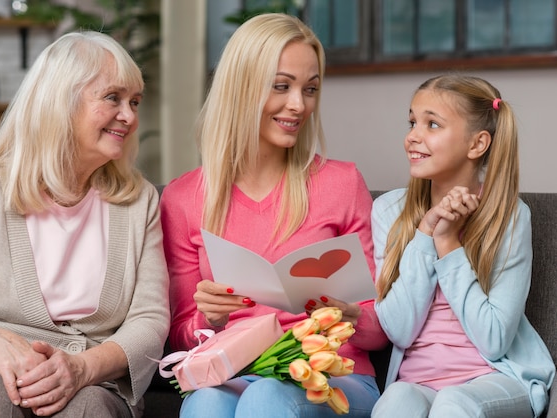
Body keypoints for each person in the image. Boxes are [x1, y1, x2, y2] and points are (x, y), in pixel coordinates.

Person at [160, 13, 388, 418]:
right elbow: (179, 335)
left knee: (267, 397)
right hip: (236, 370)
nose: (299, 105)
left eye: (310, 88)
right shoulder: (183, 198)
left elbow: (380, 331)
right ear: (241, 88)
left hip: (335, 379)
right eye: (282, 86)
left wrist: (350, 314)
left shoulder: (341, 183)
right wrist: (209, 318)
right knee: (205, 402)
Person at [0, 31, 170, 417]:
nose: (129, 116)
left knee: (91, 404)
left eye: (134, 102)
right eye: (113, 98)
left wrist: (83, 368)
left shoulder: (139, 201)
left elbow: (150, 319)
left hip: (94, 380)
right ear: (62, 101)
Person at [371, 74, 555, 417]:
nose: (412, 136)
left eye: (432, 124)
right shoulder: (389, 211)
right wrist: (425, 233)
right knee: (395, 402)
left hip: (496, 377)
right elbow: (398, 330)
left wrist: (447, 241)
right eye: (412, 121)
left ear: (477, 144)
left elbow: (494, 340)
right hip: (418, 383)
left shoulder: (510, 216)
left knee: (453, 403)